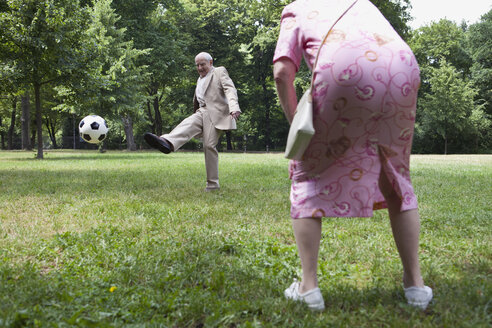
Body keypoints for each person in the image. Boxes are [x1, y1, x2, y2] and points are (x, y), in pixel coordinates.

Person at [273, 0, 432, 311]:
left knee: (307, 172)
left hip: (344, 73)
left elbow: (282, 73)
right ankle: (416, 286)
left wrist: (296, 123)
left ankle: (308, 288)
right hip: (403, 71)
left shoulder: (296, 8)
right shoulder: (363, 3)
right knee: (396, 175)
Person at [144, 52, 241, 191]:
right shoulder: (199, 78)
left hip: (216, 114)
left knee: (209, 146)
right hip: (201, 111)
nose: (200, 68)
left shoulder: (219, 72)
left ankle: (213, 185)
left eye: (203, 64)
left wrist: (234, 107)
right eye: (197, 65)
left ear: (211, 62)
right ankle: (167, 142)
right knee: (187, 123)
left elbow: (230, 89)